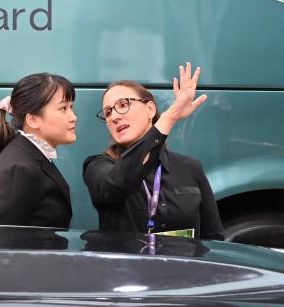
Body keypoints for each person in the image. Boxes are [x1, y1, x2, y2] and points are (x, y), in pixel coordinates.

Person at [83, 63, 223, 239]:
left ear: (150, 109)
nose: (115, 117)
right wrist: (170, 116)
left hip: (184, 258)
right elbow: (116, 184)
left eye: (123, 105)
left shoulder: (190, 167)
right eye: (108, 112)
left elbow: (213, 236)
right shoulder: (98, 166)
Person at [0, 73, 77, 228]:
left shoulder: (28, 157)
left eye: (71, 107)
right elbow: (3, 240)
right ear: (32, 120)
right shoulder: (19, 169)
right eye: (63, 108)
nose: (73, 117)